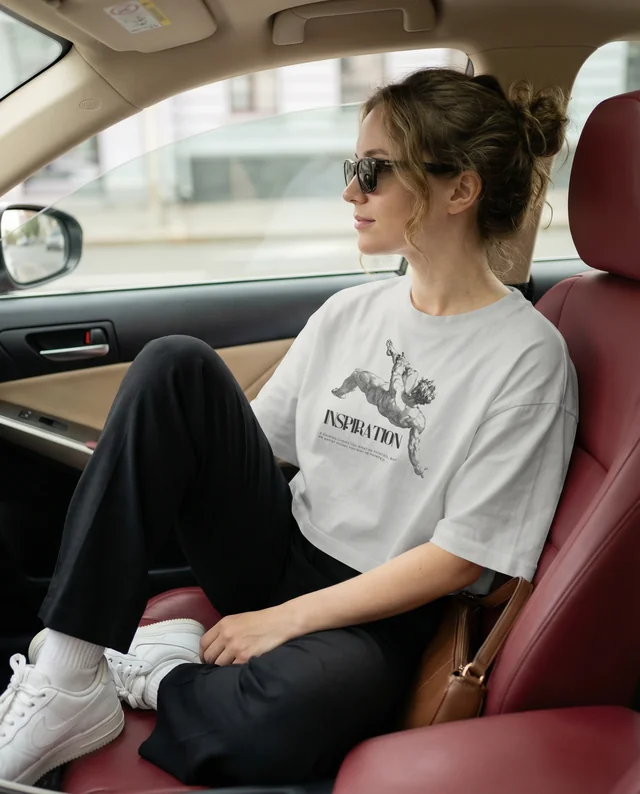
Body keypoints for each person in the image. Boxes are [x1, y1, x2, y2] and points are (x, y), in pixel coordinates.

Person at [0, 67, 578, 788]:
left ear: (460, 189)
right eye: (351, 168)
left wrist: (285, 621)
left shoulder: (527, 357)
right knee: (176, 363)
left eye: (373, 171)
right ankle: (67, 671)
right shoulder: (350, 312)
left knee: (303, 705)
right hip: (280, 548)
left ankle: (161, 676)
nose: (350, 192)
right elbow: (260, 447)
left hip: (379, 609)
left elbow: (462, 557)